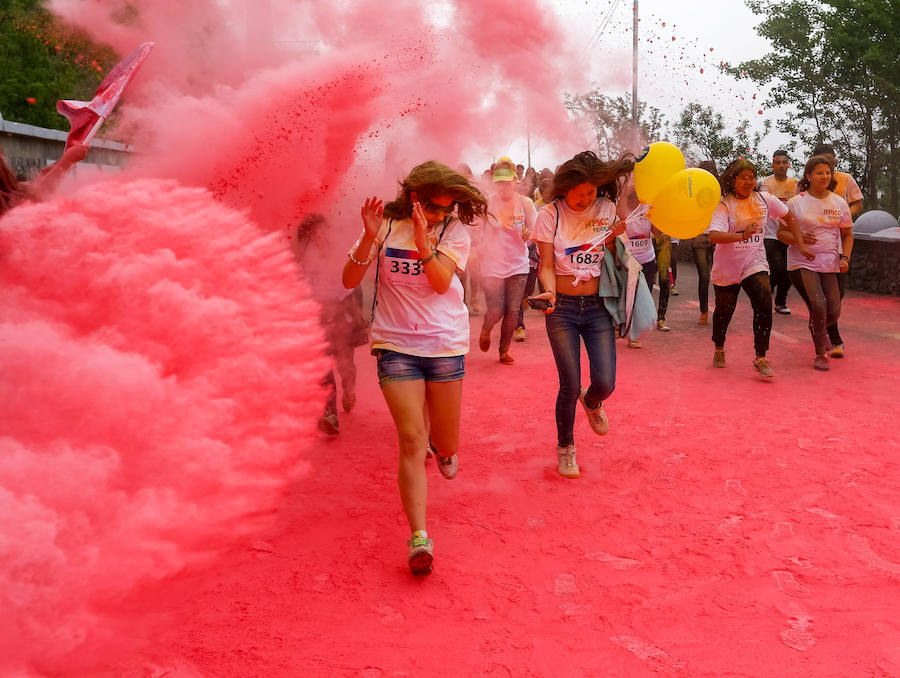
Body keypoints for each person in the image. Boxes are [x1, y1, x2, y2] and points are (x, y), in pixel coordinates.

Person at [342, 161, 488, 575]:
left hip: (444, 344)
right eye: (433, 206)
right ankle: (419, 536)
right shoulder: (386, 224)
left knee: (445, 443)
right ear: (413, 197)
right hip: (396, 343)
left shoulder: (453, 233)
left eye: (446, 209)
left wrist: (425, 242)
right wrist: (369, 239)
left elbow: (442, 283)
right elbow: (350, 279)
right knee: (411, 438)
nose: (440, 214)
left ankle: (445, 449)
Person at [529, 151, 633, 478]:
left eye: (591, 193)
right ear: (564, 188)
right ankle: (566, 448)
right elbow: (545, 265)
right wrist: (547, 291)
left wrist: (617, 239)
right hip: (561, 309)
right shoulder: (548, 214)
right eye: (579, 193)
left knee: (605, 382)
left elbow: (618, 258)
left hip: (598, 307)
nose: (585, 199)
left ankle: (593, 402)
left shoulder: (607, 209)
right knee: (569, 384)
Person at [707, 158, 811, 378]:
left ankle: (761, 356)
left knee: (764, 298)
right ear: (732, 180)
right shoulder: (724, 204)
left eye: (752, 177)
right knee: (724, 311)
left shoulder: (765, 199)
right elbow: (714, 236)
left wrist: (800, 243)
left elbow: (789, 216)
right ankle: (718, 346)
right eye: (743, 177)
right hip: (727, 267)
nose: (749, 181)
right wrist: (741, 235)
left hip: (754, 262)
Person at [293, 214, 368, 436]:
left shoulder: (337, 260)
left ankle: (349, 387)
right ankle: (329, 414)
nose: (320, 238)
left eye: (323, 233)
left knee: (345, 363)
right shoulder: (300, 263)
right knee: (324, 368)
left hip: (340, 319)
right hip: (315, 321)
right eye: (314, 235)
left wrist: (350, 311)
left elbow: (348, 289)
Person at [778, 155, 853, 371]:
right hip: (803, 261)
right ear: (808, 176)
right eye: (820, 172)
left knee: (834, 309)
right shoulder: (796, 202)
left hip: (830, 262)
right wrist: (798, 239)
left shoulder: (839, 203)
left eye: (828, 172)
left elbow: (848, 234)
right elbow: (781, 232)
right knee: (818, 305)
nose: (825, 176)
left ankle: (817, 328)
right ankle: (820, 353)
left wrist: (845, 257)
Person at [475, 157, 537, 362]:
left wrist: (529, 235)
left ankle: (504, 350)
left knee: (513, 309)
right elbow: (478, 231)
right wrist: (480, 248)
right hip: (492, 266)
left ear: (515, 181)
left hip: (518, 265)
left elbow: (535, 230)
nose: (503, 187)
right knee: (496, 309)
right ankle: (486, 327)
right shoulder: (487, 202)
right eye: (499, 182)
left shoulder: (525, 203)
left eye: (507, 182)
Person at [810, 143, 863, 358]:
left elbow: (858, 204)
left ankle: (819, 325)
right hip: (814, 248)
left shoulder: (846, 179)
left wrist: (843, 215)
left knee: (836, 295)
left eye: (831, 162)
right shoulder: (807, 183)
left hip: (840, 242)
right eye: (823, 162)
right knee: (820, 297)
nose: (827, 168)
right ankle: (834, 338)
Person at [759, 150, 798, 314]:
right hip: (769, 235)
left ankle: (780, 302)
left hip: (788, 234)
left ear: (788, 165)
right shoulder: (763, 184)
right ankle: (767, 289)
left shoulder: (795, 184)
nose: (782, 165)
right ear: (773, 165)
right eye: (778, 162)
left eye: (785, 162)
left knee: (789, 272)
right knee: (778, 267)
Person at [691, 160, 719, 325]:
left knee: (719, 277)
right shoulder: (693, 192)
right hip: (700, 237)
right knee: (704, 277)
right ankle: (703, 311)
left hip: (718, 236)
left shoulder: (721, 191)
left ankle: (719, 309)